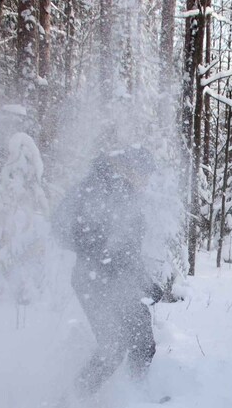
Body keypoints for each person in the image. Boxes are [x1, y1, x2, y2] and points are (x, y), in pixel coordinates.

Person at [53, 147, 166, 394]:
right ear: (129, 168)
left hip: (119, 283)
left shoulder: (126, 195)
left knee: (143, 342)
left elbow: (127, 252)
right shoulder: (95, 189)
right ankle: (71, 405)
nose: (146, 181)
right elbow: (60, 226)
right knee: (113, 346)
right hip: (93, 281)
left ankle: (135, 399)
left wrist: (145, 282)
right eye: (144, 174)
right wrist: (94, 250)